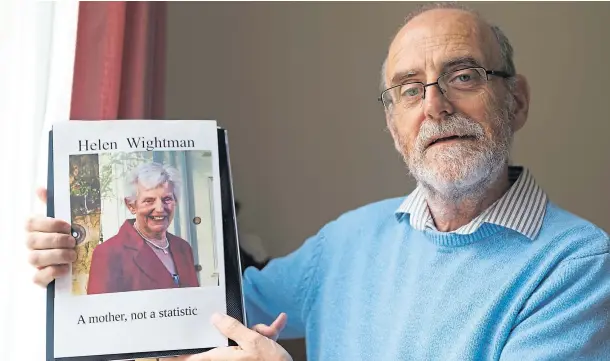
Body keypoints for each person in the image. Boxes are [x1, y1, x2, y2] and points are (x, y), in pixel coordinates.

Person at [24, 3, 609, 361]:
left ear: (517, 99)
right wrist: (76, 263)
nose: (435, 105)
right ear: (393, 124)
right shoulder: (346, 242)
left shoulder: (579, 266)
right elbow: (206, 309)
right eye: (410, 88)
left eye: (463, 75)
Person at [87, 162, 199, 294]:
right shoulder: (108, 253)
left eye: (167, 199)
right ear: (131, 205)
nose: (160, 209)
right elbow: (102, 311)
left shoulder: (183, 248)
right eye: (149, 201)